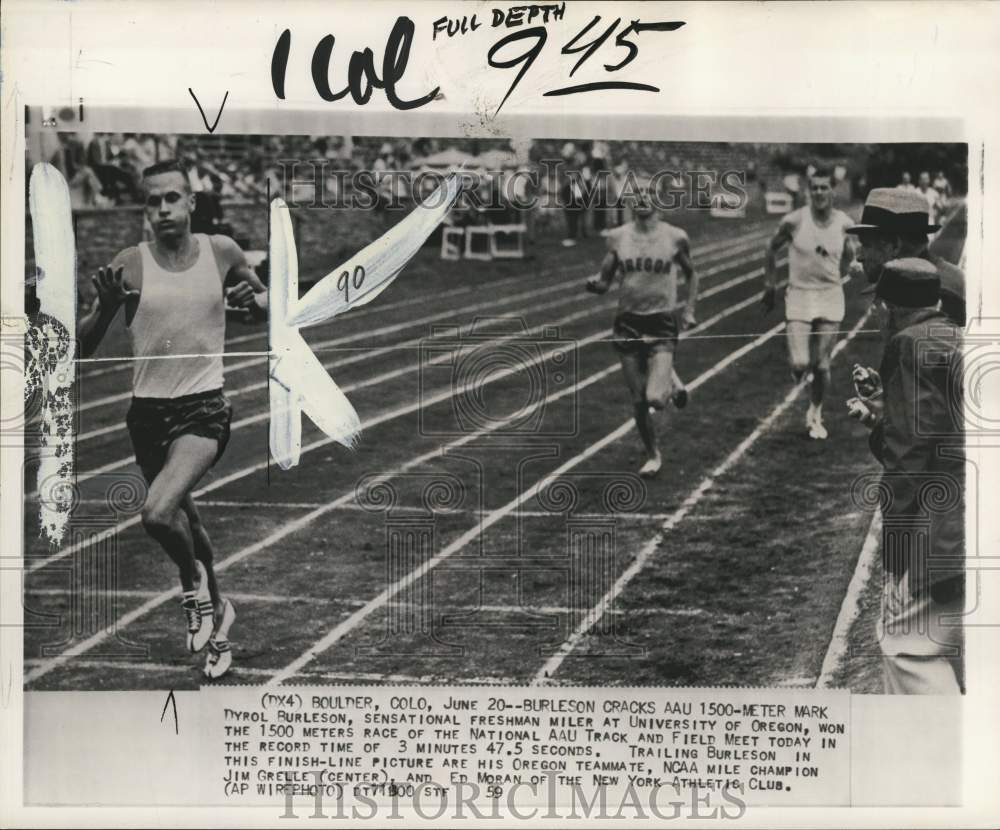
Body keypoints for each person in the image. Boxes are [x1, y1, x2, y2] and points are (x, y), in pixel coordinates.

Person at [77, 159, 268, 679]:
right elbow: (83, 346)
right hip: (147, 416)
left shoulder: (221, 251)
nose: (162, 209)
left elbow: (268, 303)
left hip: (204, 410)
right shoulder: (129, 264)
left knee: (158, 514)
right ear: (145, 209)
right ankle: (221, 624)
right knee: (192, 521)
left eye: (171, 198)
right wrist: (103, 308)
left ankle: (192, 586)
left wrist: (258, 299)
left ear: (190, 201)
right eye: (152, 201)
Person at [845, 259, 964, 694]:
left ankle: (939, 755)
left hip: (946, 534)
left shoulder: (907, 344)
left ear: (887, 308)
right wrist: (883, 421)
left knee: (906, 647)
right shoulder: (958, 338)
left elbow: (909, 463)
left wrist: (895, 564)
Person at [585, 183, 697, 477]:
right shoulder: (617, 237)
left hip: (661, 321)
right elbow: (605, 279)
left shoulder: (675, 237)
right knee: (637, 399)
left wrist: (688, 310)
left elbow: (691, 273)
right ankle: (653, 455)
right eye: (636, 195)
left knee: (656, 400)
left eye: (648, 193)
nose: (642, 199)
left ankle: (669, 382)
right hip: (628, 322)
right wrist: (595, 285)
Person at [762, 165, 861, 439]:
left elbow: (852, 251)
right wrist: (769, 284)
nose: (819, 192)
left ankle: (815, 412)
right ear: (808, 191)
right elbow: (771, 247)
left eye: (824, 187)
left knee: (822, 365)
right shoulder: (794, 221)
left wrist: (853, 264)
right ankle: (801, 372)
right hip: (800, 294)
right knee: (799, 364)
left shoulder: (844, 223)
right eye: (814, 187)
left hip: (830, 294)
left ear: (833, 191)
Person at [845, 187, 965, 327]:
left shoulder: (941, 297)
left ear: (895, 245)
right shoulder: (908, 284)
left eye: (866, 245)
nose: (860, 256)